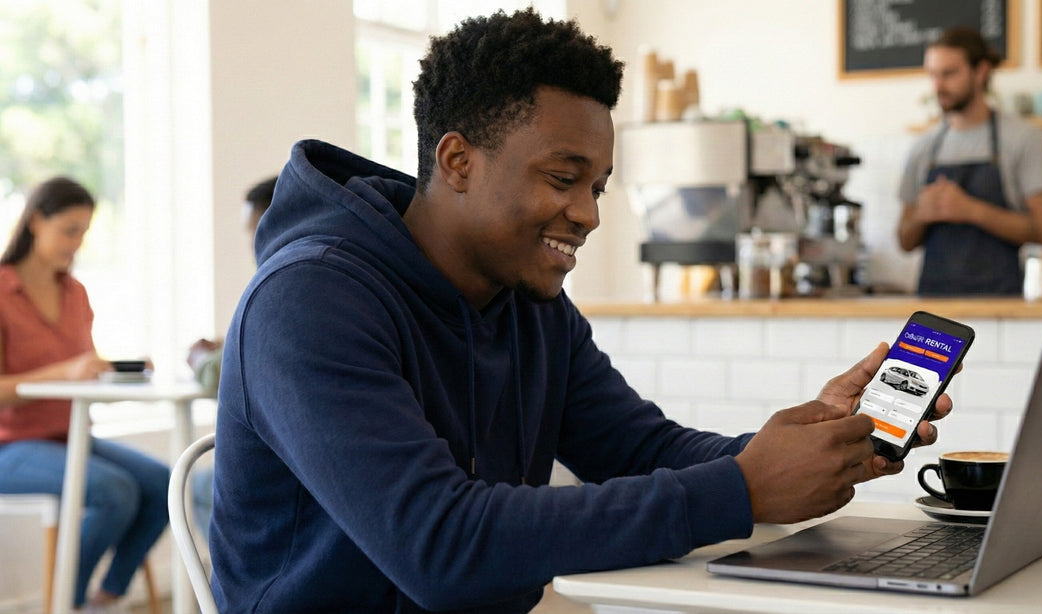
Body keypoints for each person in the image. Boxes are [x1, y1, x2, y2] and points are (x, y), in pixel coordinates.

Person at [210, 9, 949, 613]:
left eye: (597, 186)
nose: (588, 215)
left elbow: (640, 449)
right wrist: (745, 487)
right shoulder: (308, 301)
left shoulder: (529, 302)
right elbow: (440, 548)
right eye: (565, 179)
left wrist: (815, 440)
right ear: (458, 162)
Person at [0, 176, 169, 613]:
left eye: (84, 232)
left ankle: (106, 598)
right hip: (10, 445)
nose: (76, 243)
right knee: (114, 491)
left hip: (70, 436)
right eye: (69, 230)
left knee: (166, 483)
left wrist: (115, 371)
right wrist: (66, 370)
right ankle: (66, 604)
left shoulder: (75, 293)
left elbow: (82, 371)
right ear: (36, 221)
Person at [896, 25, 1042, 296]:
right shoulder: (923, 148)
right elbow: (904, 241)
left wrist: (971, 210)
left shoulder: (1023, 139)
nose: (938, 86)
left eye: (949, 74)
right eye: (932, 75)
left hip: (1001, 305)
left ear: (981, 71)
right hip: (932, 306)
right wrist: (920, 217)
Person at [187, 175, 276, 541]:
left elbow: (214, 375)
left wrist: (197, 356)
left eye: (255, 229)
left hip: (282, 460)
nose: (252, 244)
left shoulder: (281, 283)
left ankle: (226, 593)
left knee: (197, 484)